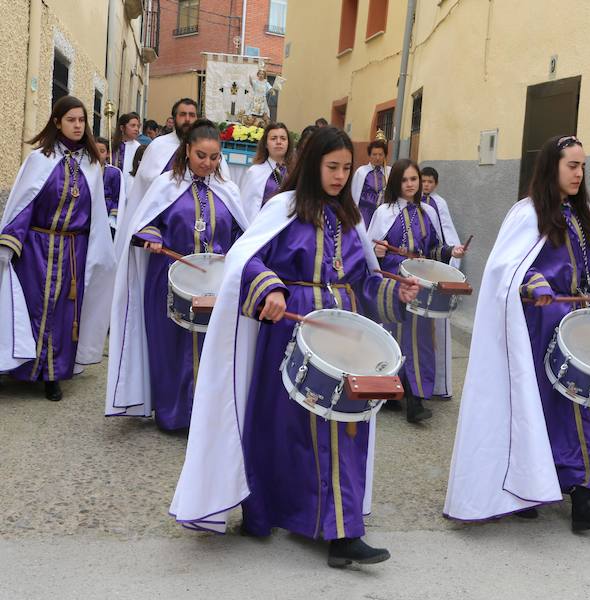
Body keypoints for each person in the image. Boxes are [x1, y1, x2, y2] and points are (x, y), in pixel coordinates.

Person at [169, 127, 419, 568]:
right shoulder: (282, 208)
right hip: (289, 332)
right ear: (312, 165)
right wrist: (272, 289)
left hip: (342, 333)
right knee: (280, 430)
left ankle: (342, 532)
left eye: (346, 168)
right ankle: (266, 512)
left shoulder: (351, 219)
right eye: (332, 167)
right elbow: (248, 258)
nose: (341, 176)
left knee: (343, 427)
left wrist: (393, 294)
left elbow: (364, 278)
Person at [444, 135, 590, 530]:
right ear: (552, 167)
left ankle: (582, 498)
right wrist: (535, 285)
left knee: (581, 407)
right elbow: (505, 271)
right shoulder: (528, 215)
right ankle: (528, 486)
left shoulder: (579, 217)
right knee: (536, 411)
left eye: (582, 167)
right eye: (572, 166)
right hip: (536, 331)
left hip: (577, 329)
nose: (578, 173)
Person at [105, 120, 248, 430]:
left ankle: (204, 418)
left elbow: (241, 233)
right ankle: (174, 415)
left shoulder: (228, 189)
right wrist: (151, 236)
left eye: (214, 158)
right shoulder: (166, 185)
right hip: (168, 282)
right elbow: (143, 223)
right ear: (187, 151)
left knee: (211, 349)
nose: (207, 163)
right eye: (201, 156)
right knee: (171, 347)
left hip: (214, 285)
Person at [0, 95, 115, 401]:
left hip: (72, 250)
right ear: (57, 122)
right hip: (36, 247)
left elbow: (96, 214)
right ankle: (21, 368)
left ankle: (52, 374)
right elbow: (25, 204)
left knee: (64, 313)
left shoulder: (92, 164)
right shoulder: (41, 159)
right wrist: (10, 242)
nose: (78, 126)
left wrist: (98, 253)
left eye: (81, 120)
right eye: (71, 120)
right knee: (30, 308)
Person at [368, 159, 467, 423]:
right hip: (394, 282)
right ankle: (391, 393)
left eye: (414, 179)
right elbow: (371, 250)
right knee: (393, 336)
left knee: (421, 340)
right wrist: (378, 252)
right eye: (405, 180)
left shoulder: (428, 212)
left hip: (421, 284)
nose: (411, 184)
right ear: (396, 182)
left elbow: (434, 248)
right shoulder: (384, 212)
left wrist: (450, 251)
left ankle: (416, 398)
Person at [118, 99, 231, 256]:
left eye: (192, 115)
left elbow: (233, 220)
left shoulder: (227, 186)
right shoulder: (159, 151)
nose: (187, 119)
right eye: (182, 114)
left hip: (211, 268)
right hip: (169, 258)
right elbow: (146, 198)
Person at [419, 166, 462, 399]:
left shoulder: (438, 205)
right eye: (421, 181)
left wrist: (451, 259)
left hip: (435, 268)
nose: (424, 185)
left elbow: (446, 233)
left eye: (428, 182)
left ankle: (437, 385)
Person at [239, 122, 293, 221]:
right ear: (266, 144)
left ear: (288, 143)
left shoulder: (295, 171)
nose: (278, 142)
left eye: (283, 138)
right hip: (263, 226)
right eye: (273, 138)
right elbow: (247, 208)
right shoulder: (255, 172)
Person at [350, 136, 389, 228]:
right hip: (365, 214)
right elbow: (356, 195)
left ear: (385, 155)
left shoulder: (389, 172)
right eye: (374, 154)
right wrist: (376, 201)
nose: (377, 158)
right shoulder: (361, 172)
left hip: (383, 215)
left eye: (380, 154)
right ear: (369, 155)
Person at [95, 137, 125, 237]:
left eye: (102, 151)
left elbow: (118, 196)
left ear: (108, 153)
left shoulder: (114, 172)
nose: (98, 154)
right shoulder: (83, 171)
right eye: (94, 151)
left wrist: (112, 219)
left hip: (107, 214)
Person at [110, 112, 142, 192]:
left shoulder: (139, 148)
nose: (136, 129)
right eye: (133, 125)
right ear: (122, 128)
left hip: (130, 190)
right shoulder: (112, 146)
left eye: (138, 126)